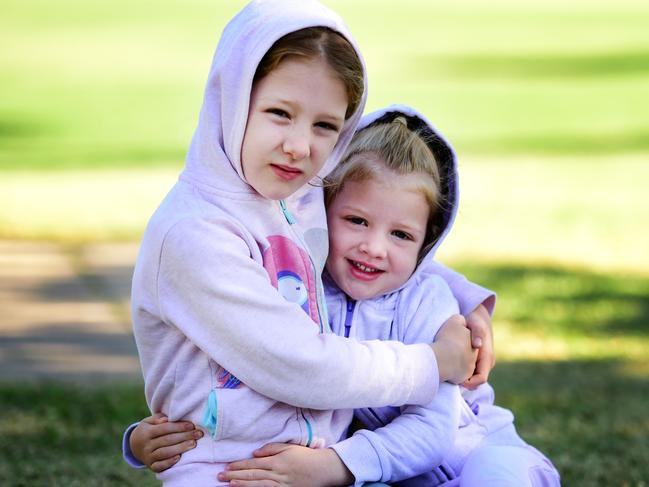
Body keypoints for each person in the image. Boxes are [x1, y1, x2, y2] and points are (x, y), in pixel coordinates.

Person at [127, 0, 495, 484]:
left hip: (315, 460)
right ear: (233, 99)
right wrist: (431, 362)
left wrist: (467, 308)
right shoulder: (196, 232)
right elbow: (298, 364)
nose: (301, 147)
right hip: (227, 470)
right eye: (280, 113)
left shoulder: (293, 197)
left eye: (325, 125)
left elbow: (372, 248)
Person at [129, 106, 560, 486]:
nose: (374, 247)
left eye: (400, 234)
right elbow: (239, 367)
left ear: (424, 244)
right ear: (320, 211)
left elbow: (432, 429)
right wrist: (143, 436)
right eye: (356, 220)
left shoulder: (429, 302)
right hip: (388, 474)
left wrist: (335, 465)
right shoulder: (298, 290)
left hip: (481, 452)